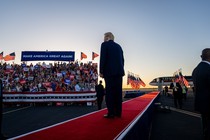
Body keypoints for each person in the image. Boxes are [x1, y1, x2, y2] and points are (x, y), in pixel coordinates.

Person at [99, 32, 125, 118]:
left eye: (104, 37)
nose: (103, 39)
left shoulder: (104, 44)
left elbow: (103, 58)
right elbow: (122, 60)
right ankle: (118, 112)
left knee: (109, 93)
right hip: (119, 72)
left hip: (109, 72)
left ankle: (111, 113)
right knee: (118, 92)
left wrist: (101, 71)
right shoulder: (119, 46)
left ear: (107, 37)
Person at [192, 48, 210, 140]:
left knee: (205, 126)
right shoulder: (208, 69)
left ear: (201, 57)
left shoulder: (195, 70)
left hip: (201, 103)